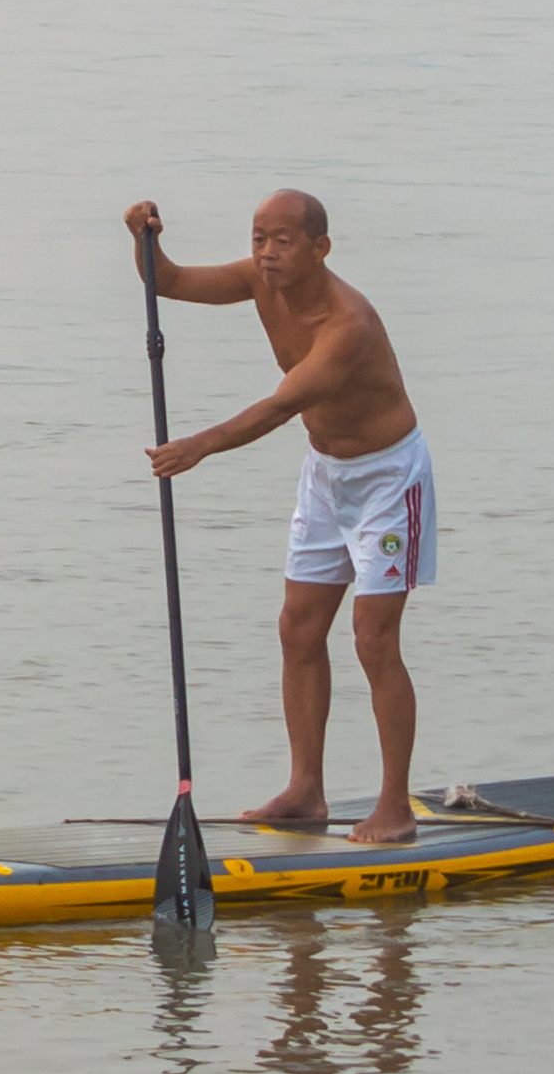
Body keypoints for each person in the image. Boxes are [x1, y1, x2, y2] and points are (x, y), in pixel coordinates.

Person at [125, 189, 439, 845]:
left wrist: (199, 445)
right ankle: (306, 790)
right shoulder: (256, 280)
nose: (266, 253)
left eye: (282, 240)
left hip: (388, 478)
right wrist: (144, 239)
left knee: (374, 640)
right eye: (258, 237)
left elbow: (279, 405)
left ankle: (394, 806)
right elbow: (171, 280)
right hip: (325, 474)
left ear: (321, 247)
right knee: (298, 628)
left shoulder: (348, 323)